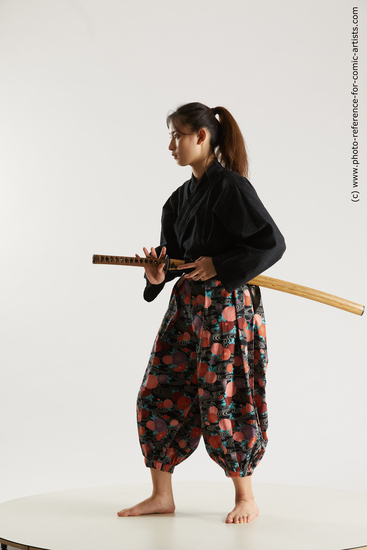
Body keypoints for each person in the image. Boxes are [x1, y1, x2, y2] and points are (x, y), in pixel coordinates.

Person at [117, 102, 286, 523]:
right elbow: (170, 261)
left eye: (177, 134)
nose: (171, 144)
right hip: (186, 307)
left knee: (223, 396)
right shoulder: (177, 201)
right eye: (171, 135)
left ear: (202, 137)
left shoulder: (231, 188)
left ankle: (245, 496)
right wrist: (156, 275)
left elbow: (272, 243)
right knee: (158, 389)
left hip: (227, 308)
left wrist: (219, 265)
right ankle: (161, 496)